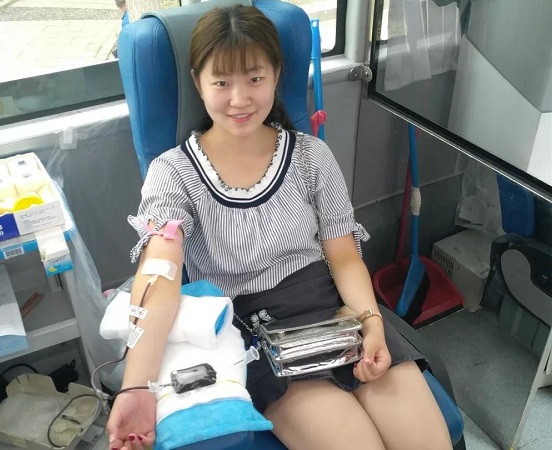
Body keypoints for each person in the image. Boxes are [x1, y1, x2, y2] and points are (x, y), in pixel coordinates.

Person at [106, 4, 452, 450]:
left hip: (337, 309)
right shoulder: (174, 173)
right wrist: (136, 386)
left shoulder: (311, 156)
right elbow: (160, 273)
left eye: (255, 78)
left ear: (276, 76)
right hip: (256, 331)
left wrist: (370, 322)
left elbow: (344, 256)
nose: (240, 99)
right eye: (221, 82)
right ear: (198, 82)